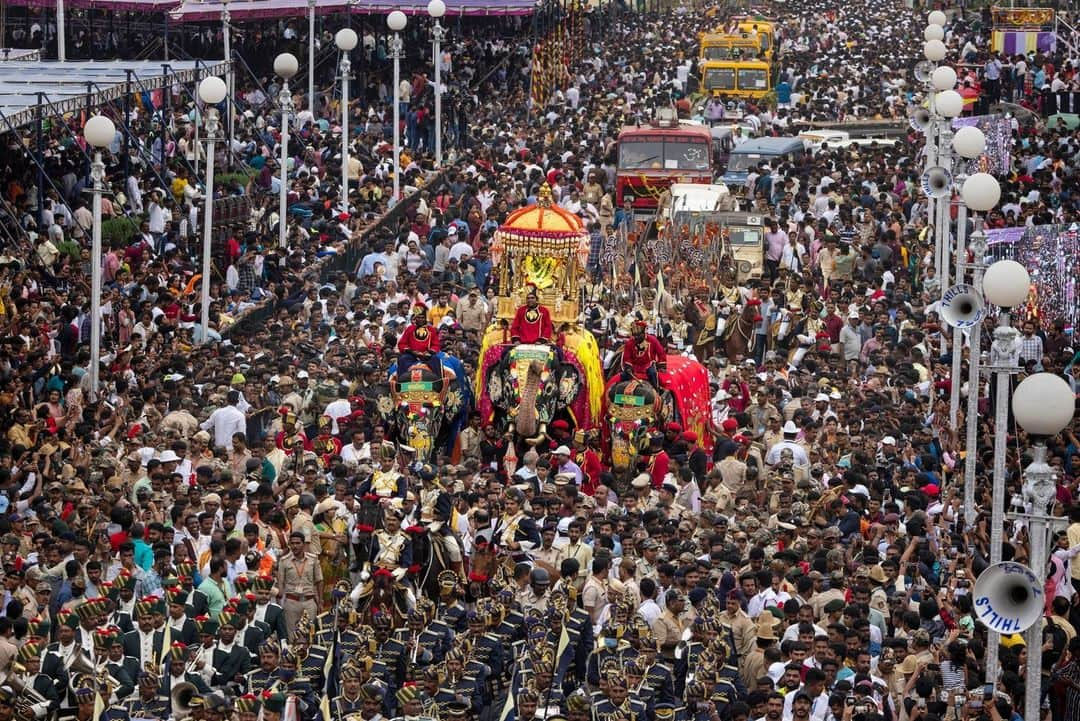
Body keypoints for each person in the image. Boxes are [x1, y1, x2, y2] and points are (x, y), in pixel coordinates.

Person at [397, 303, 441, 377]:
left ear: (425, 318)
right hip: (412, 355)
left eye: (422, 317)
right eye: (419, 317)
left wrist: (429, 352)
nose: (420, 320)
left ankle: (438, 382)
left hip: (427, 356)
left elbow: (436, 345)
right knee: (403, 359)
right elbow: (402, 344)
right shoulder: (410, 329)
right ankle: (401, 382)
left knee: (436, 359)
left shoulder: (431, 330)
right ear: (415, 318)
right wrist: (412, 351)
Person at [621, 321, 667, 388]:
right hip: (634, 366)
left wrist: (661, 366)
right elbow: (627, 357)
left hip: (648, 365)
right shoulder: (630, 342)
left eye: (638, 335)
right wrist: (628, 367)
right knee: (624, 375)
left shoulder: (652, 340)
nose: (636, 338)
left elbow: (661, 353)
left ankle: (656, 389)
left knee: (652, 373)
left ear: (644, 333)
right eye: (635, 335)